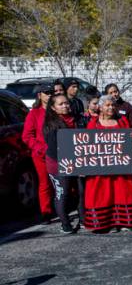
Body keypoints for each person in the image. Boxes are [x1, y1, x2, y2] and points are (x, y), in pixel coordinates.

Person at [82, 96, 132, 232]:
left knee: (123, 192)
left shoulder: (122, 121)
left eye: (113, 105)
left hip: (120, 168)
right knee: (102, 194)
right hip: (100, 169)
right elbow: (87, 145)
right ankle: (103, 224)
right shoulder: (93, 124)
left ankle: (124, 222)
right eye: (107, 105)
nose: (111, 108)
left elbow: (131, 140)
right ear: (100, 107)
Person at [43, 94, 79, 234]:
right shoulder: (51, 124)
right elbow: (54, 149)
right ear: (53, 108)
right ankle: (65, 223)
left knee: (78, 191)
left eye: (67, 103)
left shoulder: (74, 119)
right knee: (61, 193)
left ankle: (82, 219)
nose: (65, 106)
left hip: (75, 161)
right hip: (57, 163)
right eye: (61, 104)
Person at [23, 85, 55, 220]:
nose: (49, 95)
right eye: (46, 93)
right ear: (39, 95)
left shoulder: (57, 111)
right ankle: (45, 211)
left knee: (61, 182)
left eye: (51, 93)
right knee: (45, 183)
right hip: (41, 154)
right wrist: (39, 148)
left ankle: (61, 207)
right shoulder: (34, 113)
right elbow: (27, 136)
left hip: (58, 152)